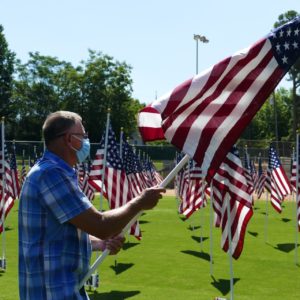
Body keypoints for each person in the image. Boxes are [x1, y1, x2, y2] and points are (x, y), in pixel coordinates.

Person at [18, 111, 165, 300]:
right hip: (52, 292)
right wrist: (139, 203)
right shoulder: (51, 174)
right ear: (69, 139)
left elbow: (57, 237)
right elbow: (100, 224)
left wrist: (99, 244)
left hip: (63, 289)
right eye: (83, 136)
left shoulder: (55, 171)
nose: (86, 141)